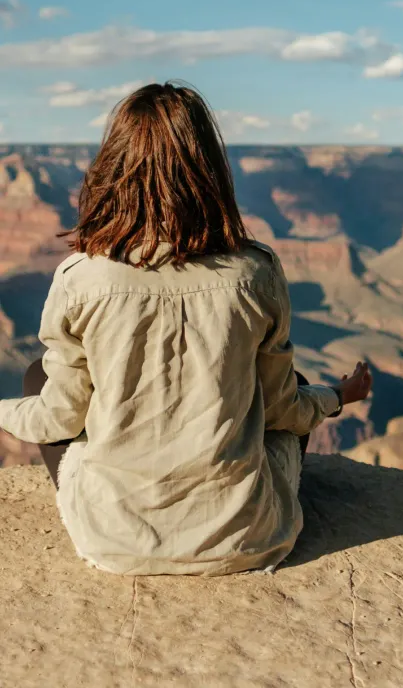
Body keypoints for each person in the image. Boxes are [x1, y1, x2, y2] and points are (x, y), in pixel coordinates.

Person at [0, 81, 372, 577]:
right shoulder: (255, 272)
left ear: (113, 168)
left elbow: (59, 421)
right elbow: (283, 409)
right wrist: (337, 395)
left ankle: (121, 512)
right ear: (210, 169)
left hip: (113, 541)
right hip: (245, 538)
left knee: (36, 380)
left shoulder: (81, 277)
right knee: (297, 384)